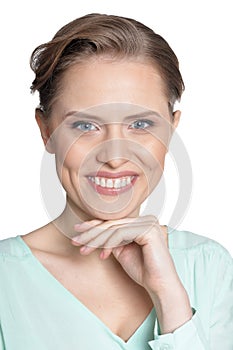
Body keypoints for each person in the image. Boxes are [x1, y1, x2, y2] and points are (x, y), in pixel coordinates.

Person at [0, 13, 232, 350]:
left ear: (171, 128)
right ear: (46, 131)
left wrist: (171, 300)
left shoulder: (209, 265)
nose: (114, 156)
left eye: (140, 125)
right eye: (85, 126)